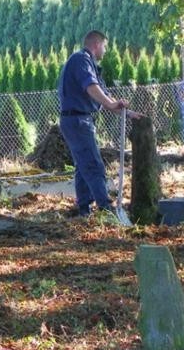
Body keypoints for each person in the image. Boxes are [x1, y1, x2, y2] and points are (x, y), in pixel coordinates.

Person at [58, 30, 143, 217]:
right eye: (104, 46)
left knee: (83, 166)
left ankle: (84, 209)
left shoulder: (89, 64)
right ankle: (106, 209)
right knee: (94, 165)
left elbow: (103, 97)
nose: (105, 50)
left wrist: (128, 113)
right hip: (77, 120)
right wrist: (111, 103)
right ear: (96, 44)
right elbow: (92, 88)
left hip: (78, 119)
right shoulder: (81, 60)